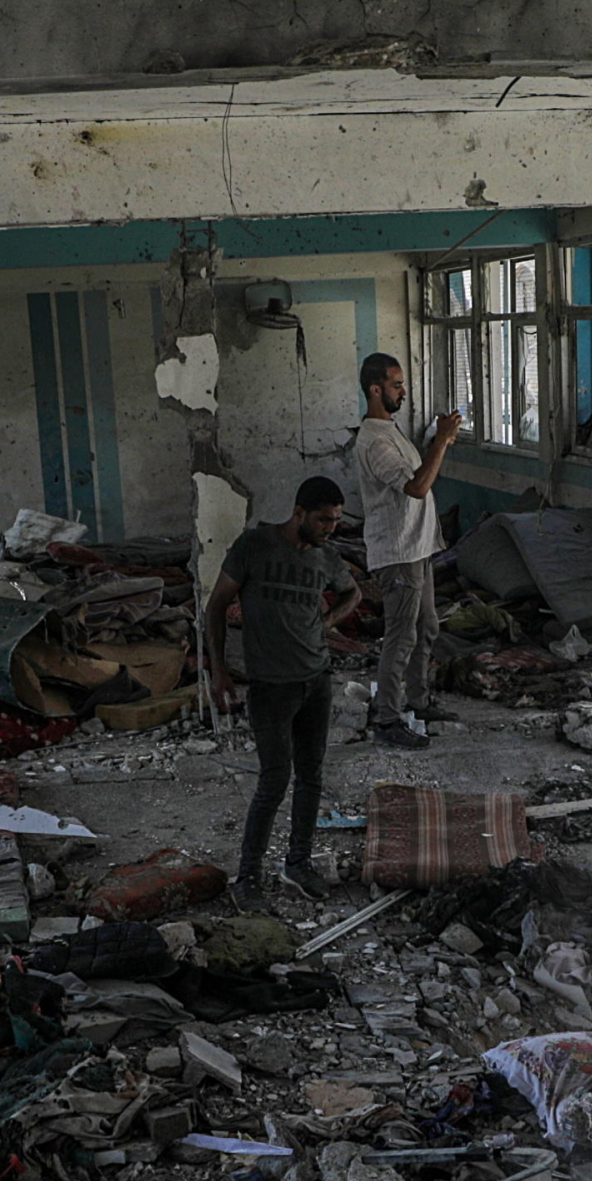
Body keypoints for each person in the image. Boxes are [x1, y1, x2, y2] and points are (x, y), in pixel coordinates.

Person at [203, 476, 355, 907]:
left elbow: (352, 592)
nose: (331, 528)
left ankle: (297, 864)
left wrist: (327, 624)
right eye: (324, 520)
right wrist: (219, 672)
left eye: (337, 521)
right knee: (274, 779)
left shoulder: (327, 557)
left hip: (316, 680)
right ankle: (247, 877)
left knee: (311, 776)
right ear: (299, 513)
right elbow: (215, 606)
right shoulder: (254, 546)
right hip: (270, 686)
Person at [354, 353, 461, 748]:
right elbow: (417, 487)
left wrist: (438, 442)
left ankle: (417, 700)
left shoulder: (390, 430)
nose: (403, 391)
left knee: (426, 626)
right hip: (398, 553)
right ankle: (387, 718)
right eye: (396, 385)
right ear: (375, 390)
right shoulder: (375, 441)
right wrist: (442, 442)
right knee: (401, 636)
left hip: (417, 547)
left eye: (402, 384)